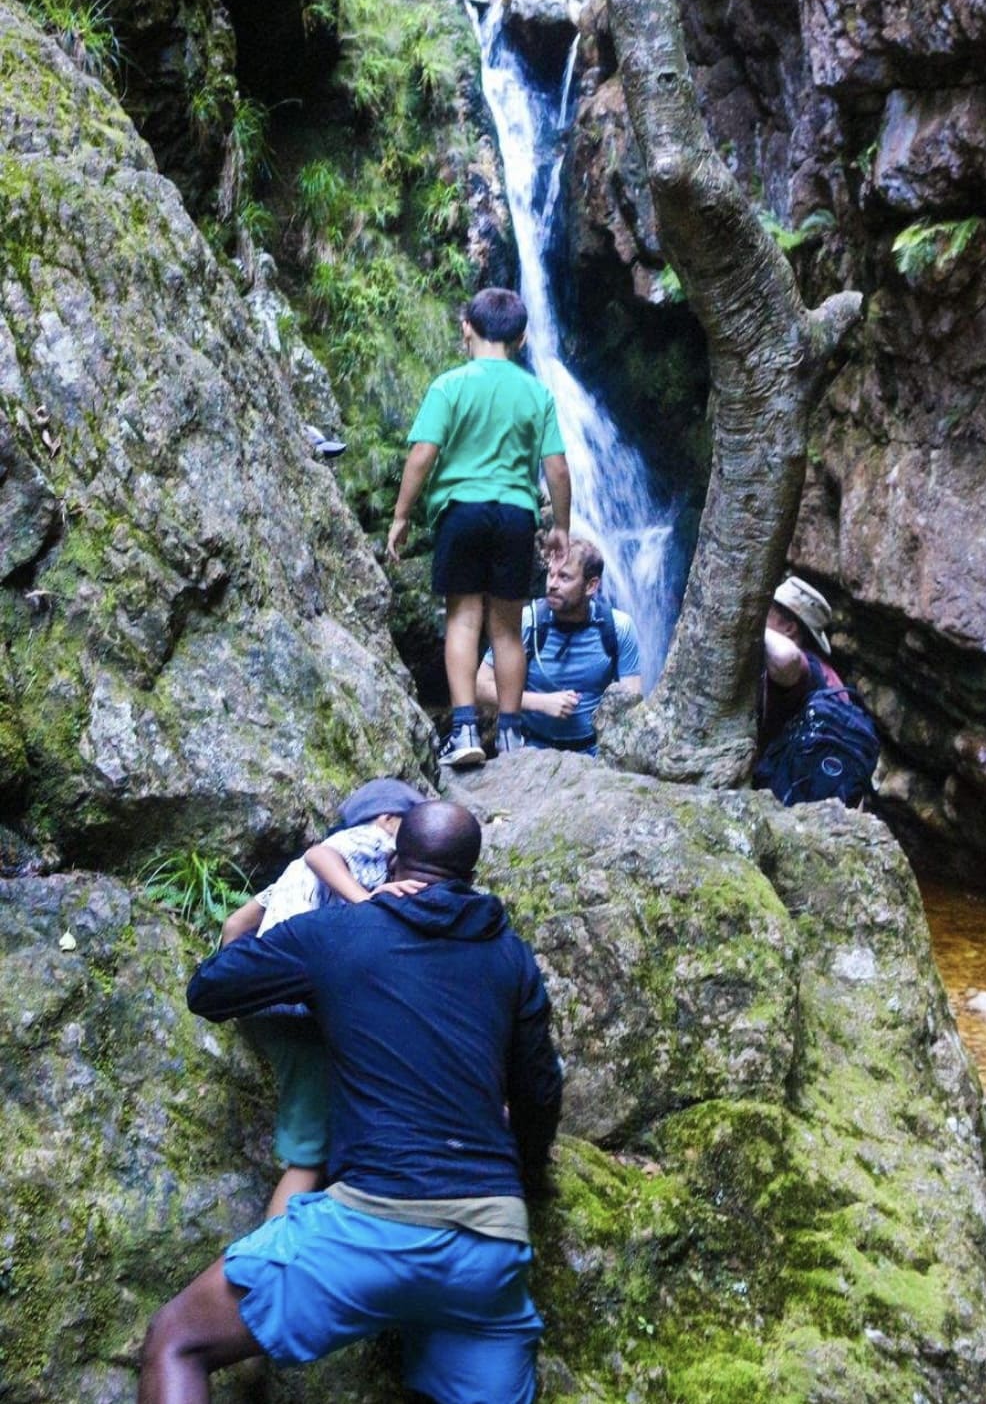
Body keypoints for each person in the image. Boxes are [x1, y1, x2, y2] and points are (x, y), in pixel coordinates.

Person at [139, 801, 562, 1404]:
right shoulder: (509, 955)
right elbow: (540, 1093)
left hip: (370, 1224)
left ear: (391, 862)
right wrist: (529, 1167)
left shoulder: (338, 935)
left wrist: (322, 979)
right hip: (489, 1247)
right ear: (471, 875)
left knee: (176, 1339)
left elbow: (210, 989)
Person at [219, 775, 427, 1217]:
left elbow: (235, 926)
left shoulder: (294, 877)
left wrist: (244, 996)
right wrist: (367, 901)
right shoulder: (367, 841)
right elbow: (321, 853)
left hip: (271, 1000)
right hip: (301, 1007)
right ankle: (268, 1265)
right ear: (389, 819)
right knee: (309, 1154)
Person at [386, 288, 571, 769]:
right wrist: (562, 530)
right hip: (515, 514)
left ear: (466, 326)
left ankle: (465, 728)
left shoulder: (449, 385)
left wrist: (402, 515)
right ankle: (511, 735)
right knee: (507, 629)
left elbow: (422, 454)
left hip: (461, 511)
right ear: (522, 337)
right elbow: (557, 468)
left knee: (463, 619)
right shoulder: (536, 392)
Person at [476, 539, 641, 754]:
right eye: (550, 574)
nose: (552, 584)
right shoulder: (527, 623)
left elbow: (632, 701)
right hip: (530, 751)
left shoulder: (617, 628)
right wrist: (540, 702)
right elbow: (480, 687)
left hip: (595, 754)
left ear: (591, 585)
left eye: (564, 577)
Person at [755, 575, 879, 807]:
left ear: (790, 628)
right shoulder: (830, 675)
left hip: (784, 800)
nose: (761, 615)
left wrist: (748, 623)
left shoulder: (806, 669)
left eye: (766, 613)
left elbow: (785, 658)